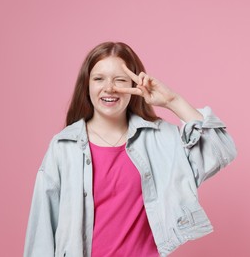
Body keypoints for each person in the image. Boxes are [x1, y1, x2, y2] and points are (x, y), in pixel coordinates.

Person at [24, 41, 237, 257]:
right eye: (99, 79)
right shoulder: (63, 147)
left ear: (135, 86)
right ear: (86, 85)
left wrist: (172, 101)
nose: (109, 88)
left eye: (120, 80)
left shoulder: (160, 138)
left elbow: (221, 150)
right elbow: (42, 229)